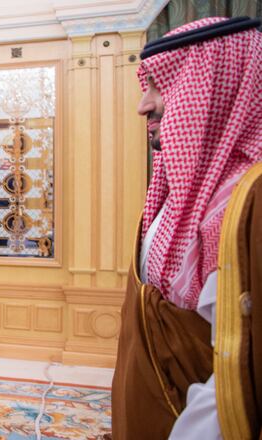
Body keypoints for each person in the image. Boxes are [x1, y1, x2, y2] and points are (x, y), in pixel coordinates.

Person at [111, 16, 262, 439]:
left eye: (160, 86)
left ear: (214, 90)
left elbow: (238, 369)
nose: (144, 104)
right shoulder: (182, 191)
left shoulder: (247, 202)